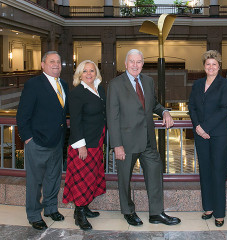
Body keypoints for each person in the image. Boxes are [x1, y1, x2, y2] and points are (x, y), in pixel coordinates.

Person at [106, 49, 181, 226]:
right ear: (125, 64)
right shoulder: (115, 85)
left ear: (142, 64)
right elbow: (112, 116)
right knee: (124, 179)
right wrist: (117, 144)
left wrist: (164, 111)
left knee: (155, 175)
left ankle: (156, 213)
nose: (135, 65)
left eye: (138, 61)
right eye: (131, 61)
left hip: (147, 140)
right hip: (126, 142)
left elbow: (152, 104)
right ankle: (128, 211)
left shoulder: (147, 81)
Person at [16, 51, 68, 230]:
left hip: (57, 142)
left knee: (53, 179)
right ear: (42, 65)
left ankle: (51, 208)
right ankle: (33, 215)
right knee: (34, 182)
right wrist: (28, 138)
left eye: (59, 62)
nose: (56, 65)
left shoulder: (64, 85)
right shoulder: (34, 84)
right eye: (52, 61)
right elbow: (22, 115)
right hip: (37, 142)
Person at [188, 50, 227, 227]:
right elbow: (191, 106)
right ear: (204, 66)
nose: (211, 67)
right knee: (205, 171)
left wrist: (205, 127)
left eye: (214, 64)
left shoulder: (226, 84)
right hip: (201, 135)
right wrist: (198, 127)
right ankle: (208, 208)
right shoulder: (198, 84)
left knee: (218, 172)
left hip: (219, 134)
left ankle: (220, 213)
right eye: (208, 64)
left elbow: (224, 109)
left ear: (219, 66)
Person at [62, 60, 106, 231]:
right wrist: (81, 145)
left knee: (91, 176)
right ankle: (79, 213)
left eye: (92, 71)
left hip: (97, 141)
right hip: (84, 145)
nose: (89, 74)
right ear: (79, 74)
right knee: (82, 179)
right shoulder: (77, 93)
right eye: (85, 71)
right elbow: (76, 121)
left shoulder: (99, 88)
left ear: (96, 73)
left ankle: (85, 206)